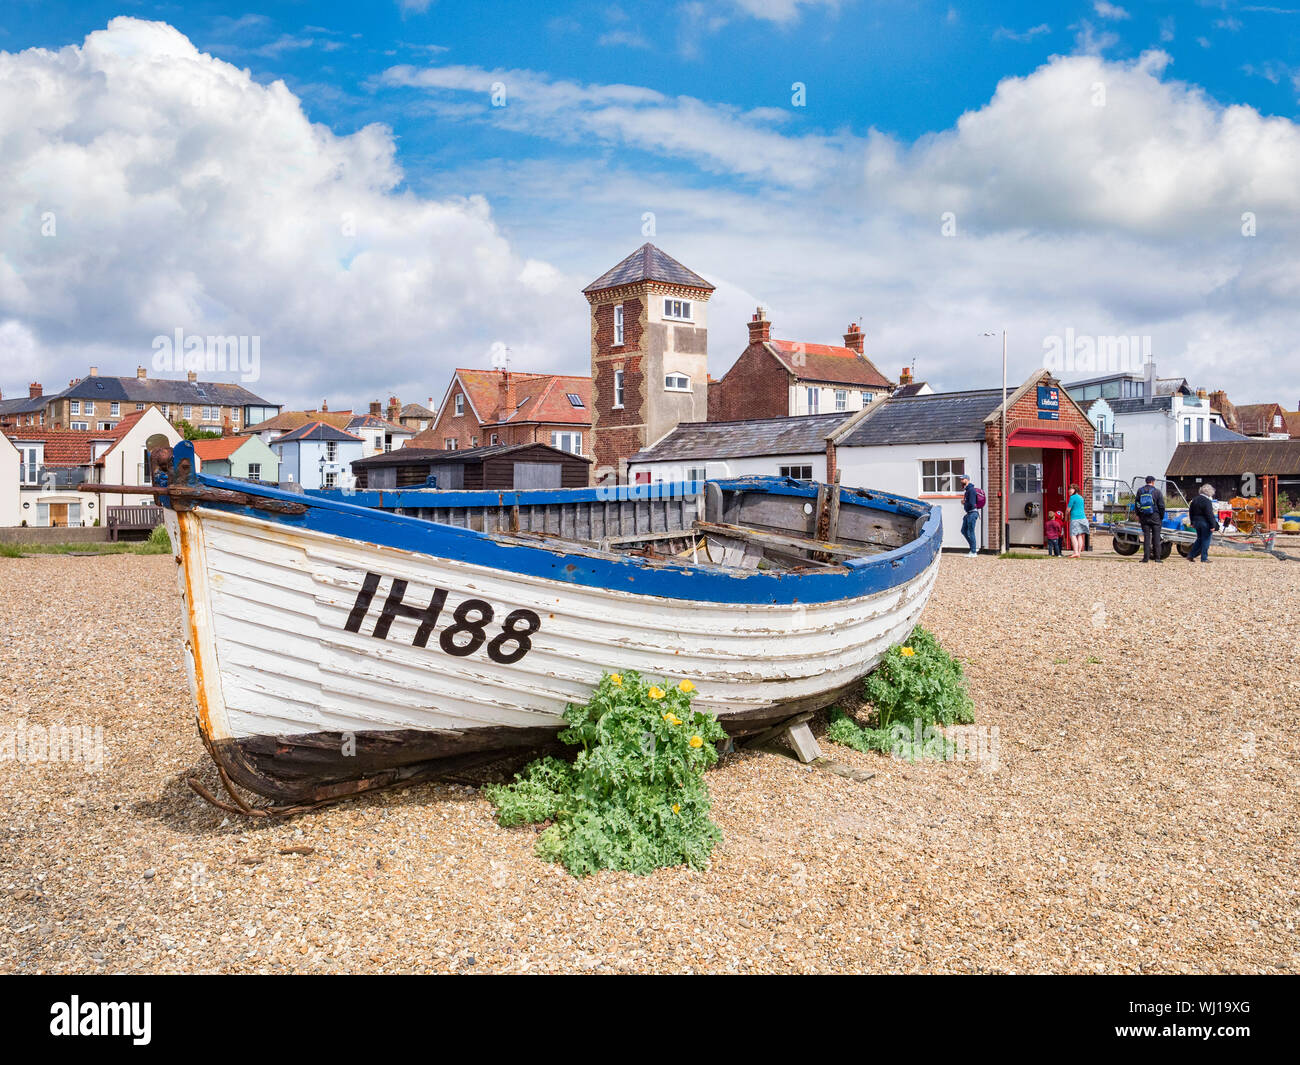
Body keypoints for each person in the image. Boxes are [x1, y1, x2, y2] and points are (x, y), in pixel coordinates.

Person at [1134, 475, 1166, 563]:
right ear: (1153, 482)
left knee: (1146, 538)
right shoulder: (1157, 492)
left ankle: (1145, 558)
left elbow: (1137, 504)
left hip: (1144, 517)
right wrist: (1161, 517)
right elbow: (1162, 506)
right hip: (1155, 517)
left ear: (1146, 481)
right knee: (1156, 538)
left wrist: (1138, 514)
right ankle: (1157, 558)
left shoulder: (1140, 491)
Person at [1188, 483, 1220, 563]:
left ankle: (1191, 555)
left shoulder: (1194, 499)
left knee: (1199, 539)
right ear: (1209, 492)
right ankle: (1204, 558)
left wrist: (1192, 522)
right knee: (1206, 540)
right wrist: (1213, 525)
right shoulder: (1207, 501)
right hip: (1205, 523)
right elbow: (1209, 514)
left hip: (1196, 522)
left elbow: (1190, 512)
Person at [959, 473, 979, 556]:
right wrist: (965, 503)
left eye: (963, 479)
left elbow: (972, 503)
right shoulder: (967, 490)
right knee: (963, 530)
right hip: (969, 513)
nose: (961, 481)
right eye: (961, 479)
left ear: (967, 480)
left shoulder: (971, 490)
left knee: (971, 532)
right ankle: (973, 547)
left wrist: (964, 502)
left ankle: (973, 552)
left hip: (972, 513)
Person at [1066, 483, 1088, 558]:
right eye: (1069, 489)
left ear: (1075, 489)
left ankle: (1075, 552)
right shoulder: (1081, 497)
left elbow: (1068, 509)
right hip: (1083, 518)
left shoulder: (1072, 497)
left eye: (1071, 489)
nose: (1069, 490)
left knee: (1073, 535)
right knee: (1080, 535)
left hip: (1075, 519)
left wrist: (1066, 516)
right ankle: (1078, 552)